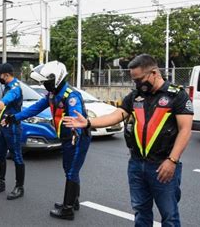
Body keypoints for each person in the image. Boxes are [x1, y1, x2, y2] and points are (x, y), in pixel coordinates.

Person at [65, 54, 193, 226]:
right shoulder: (135, 96)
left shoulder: (176, 95)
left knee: (169, 215)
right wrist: (88, 122)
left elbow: (185, 130)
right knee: (140, 211)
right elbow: (117, 115)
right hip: (137, 164)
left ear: (154, 73)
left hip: (163, 164)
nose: (137, 84)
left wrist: (172, 160)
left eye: (139, 79)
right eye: (134, 80)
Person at [3, 61, 91, 220]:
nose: (44, 85)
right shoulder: (52, 94)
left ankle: (67, 209)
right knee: (69, 169)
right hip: (66, 138)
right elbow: (34, 108)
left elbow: (76, 117)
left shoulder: (70, 96)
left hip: (76, 138)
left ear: (56, 78)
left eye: (46, 82)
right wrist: (14, 118)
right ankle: (74, 201)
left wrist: (75, 133)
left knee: (71, 171)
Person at [0, 62, 25, 200]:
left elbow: (10, 97)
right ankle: (0, 183)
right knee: (0, 154)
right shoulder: (7, 86)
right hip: (3, 126)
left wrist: (2, 102)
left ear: (6, 75)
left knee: (17, 156)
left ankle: (19, 187)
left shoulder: (15, 88)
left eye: (0, 75)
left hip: (13, 127)